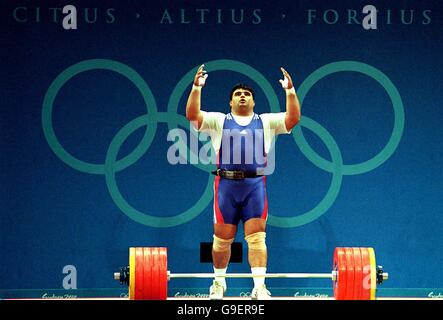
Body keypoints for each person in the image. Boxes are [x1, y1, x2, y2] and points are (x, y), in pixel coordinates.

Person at [185, 64, 301, 300]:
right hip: (226, 188)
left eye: (247, 94)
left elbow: (292, 119)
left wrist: (290, 91)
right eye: (238, 94)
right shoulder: (219, 120)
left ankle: (259, 287)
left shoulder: (266, 121)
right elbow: (192, 115)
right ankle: (218, 284)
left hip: (255, 187)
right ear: (230, 102)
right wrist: (196, 87)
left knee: (257, 239)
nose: (242, 96)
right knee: (221, 241)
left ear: (253, 102)